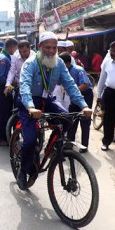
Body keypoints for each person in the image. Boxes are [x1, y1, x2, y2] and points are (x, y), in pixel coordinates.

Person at [17, 31, 92, 190]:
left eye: (54, 47)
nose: (51, 51)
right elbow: (23, 86)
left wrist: (84, 105)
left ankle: (52, 147)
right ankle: (23, 171)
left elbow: (71, 85)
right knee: (29, 141)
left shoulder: (58, 64)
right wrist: (30, 106)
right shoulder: (31, 63)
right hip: (28, 102)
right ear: (39, 47)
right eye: (47, 47)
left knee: (67, 118)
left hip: (46, 100)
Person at [59, 52, 94, 153]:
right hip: (74, 97)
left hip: (85, 95)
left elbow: (85, 84)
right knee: (71, 120)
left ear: (68, 62)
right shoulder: (63, 71)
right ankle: (69, 143)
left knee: (84, 121)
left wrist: (72, 90)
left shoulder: (78, 70)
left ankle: (84, 145)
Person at [0, 38, 18, 146]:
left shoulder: (6, 57)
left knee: (3, 113)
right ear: (11, 47)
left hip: (3, 88)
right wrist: (11, 82)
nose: (15, 50)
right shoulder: (4, 59)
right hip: (2, 89)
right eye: (15, 47)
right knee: (2, 114)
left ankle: (1, 135)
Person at [97, 40, 115, 151]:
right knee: (108, 119)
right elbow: (102, 79)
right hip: (110, 93)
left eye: (114, 51)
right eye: (111, 50)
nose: (111, 53)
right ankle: (106, 142)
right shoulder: (107, 62)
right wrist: (99, 94)